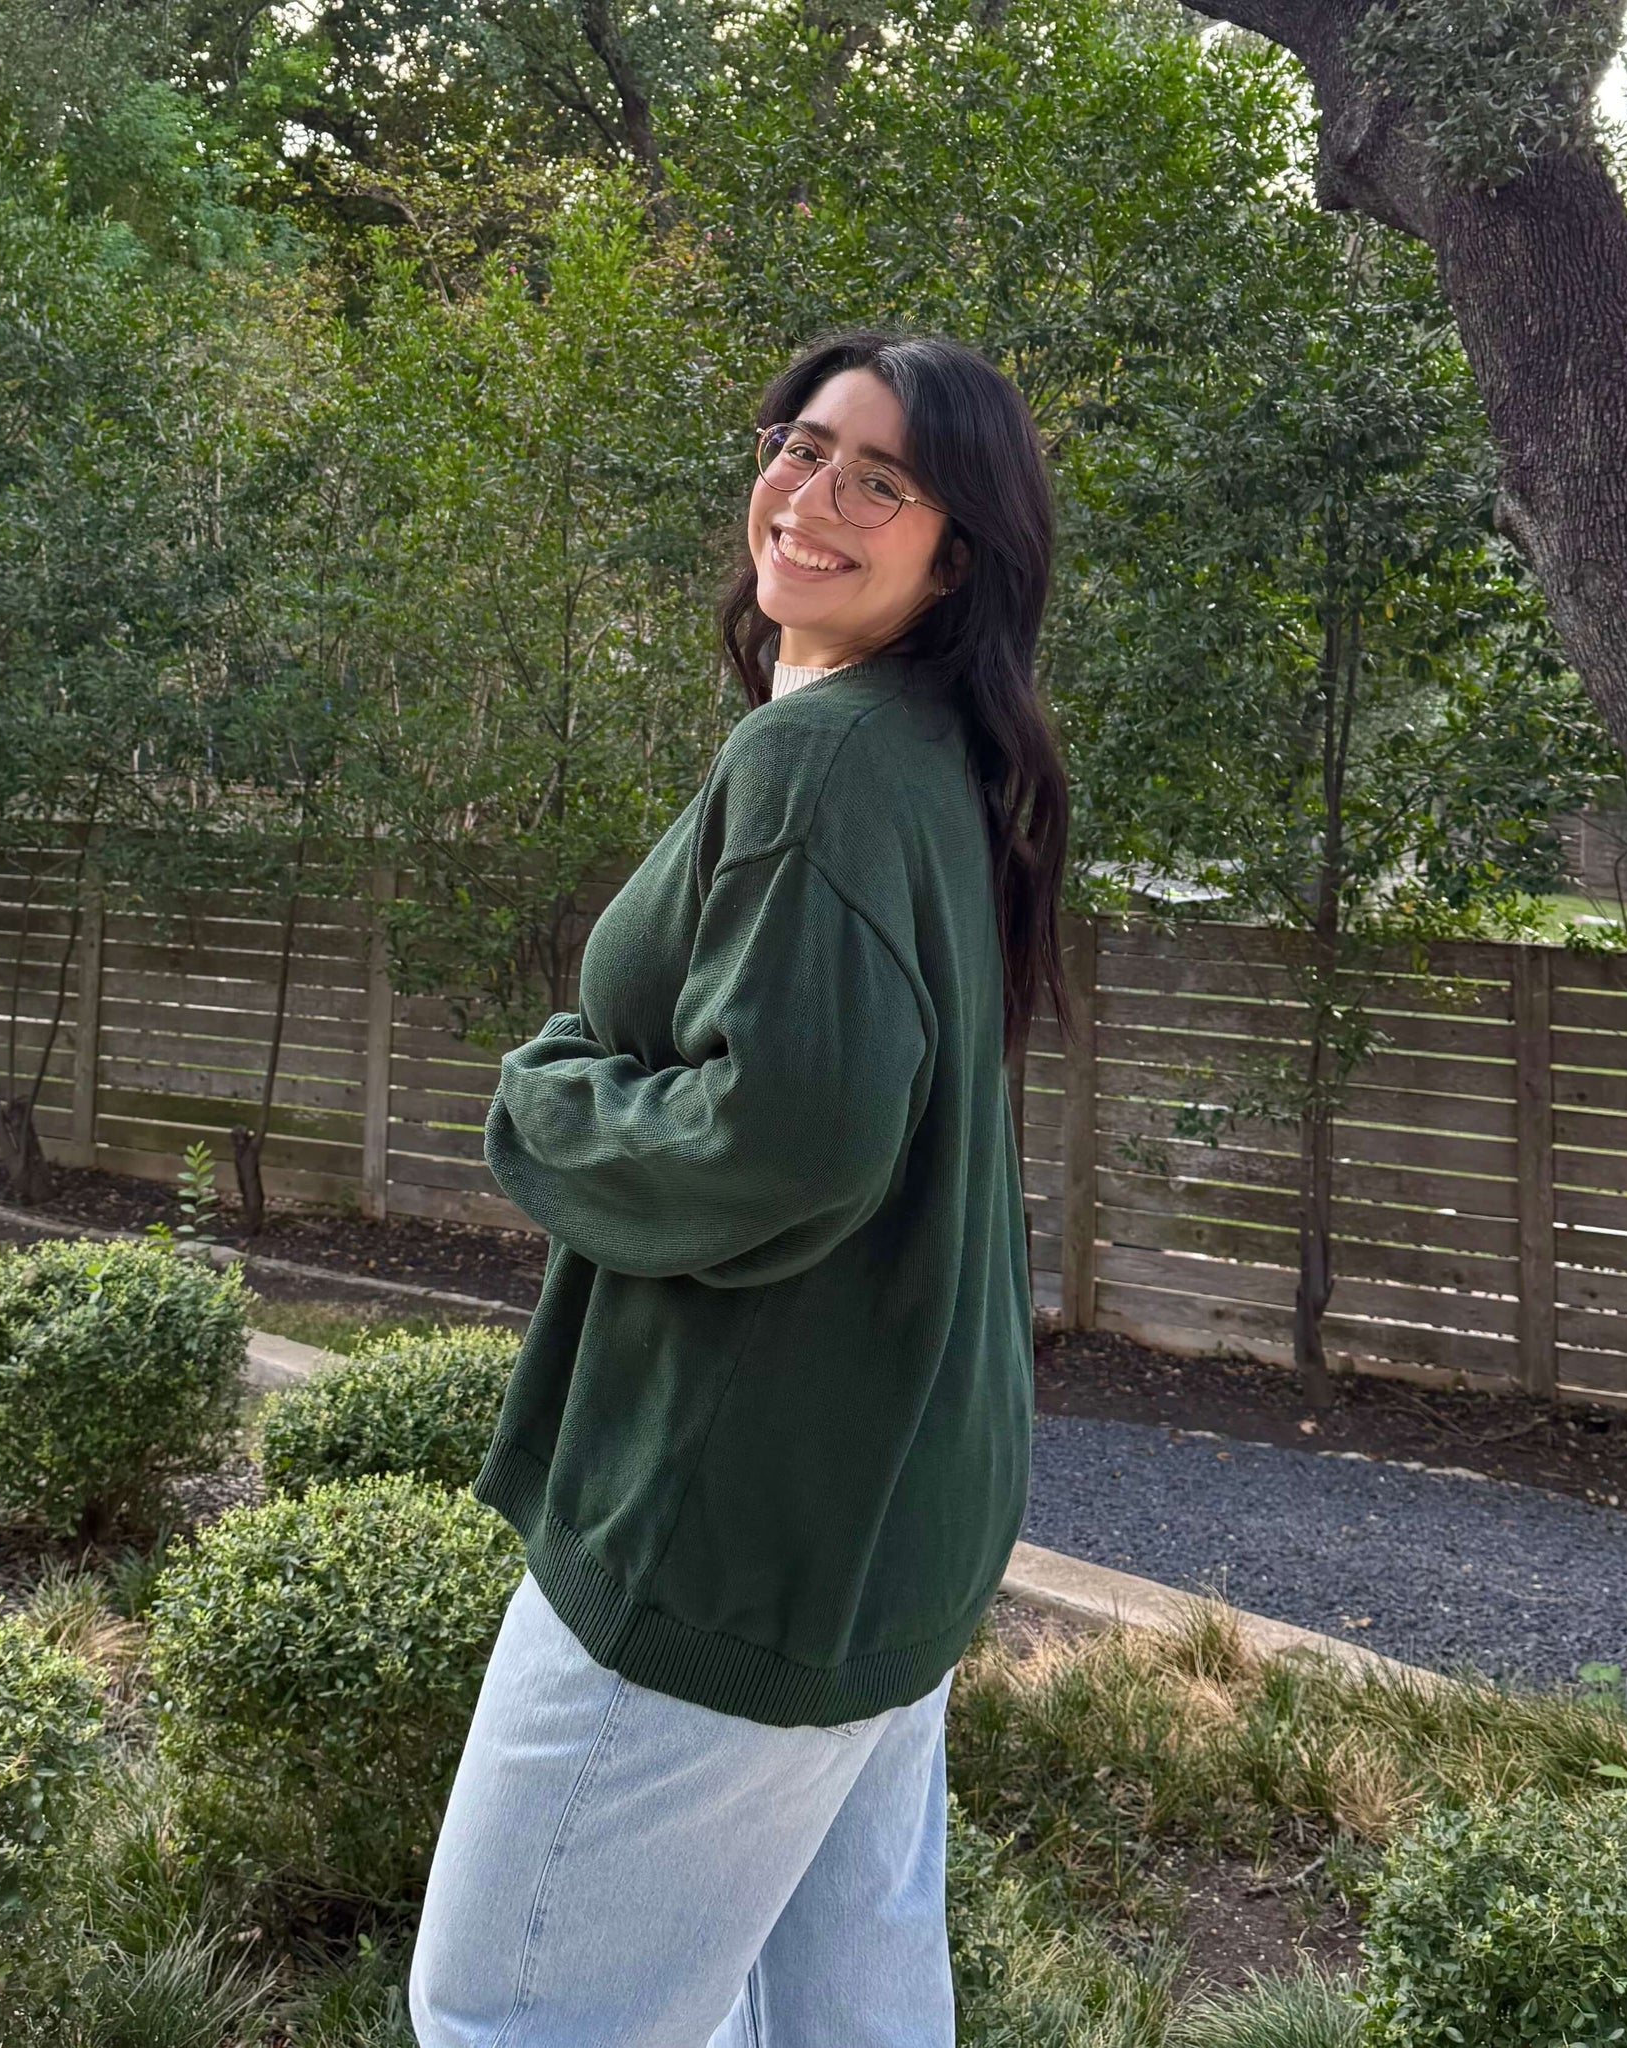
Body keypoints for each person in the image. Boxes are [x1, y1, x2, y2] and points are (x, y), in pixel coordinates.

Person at [408, 329, 1074, 2047]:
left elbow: (786, 1140)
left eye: (881, 480)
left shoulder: (825, 767)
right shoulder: (927, 754)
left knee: (507, 2015)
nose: (814, 496)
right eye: (802, 446)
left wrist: (549, 1101)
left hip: (734, 1516)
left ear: (957, 555)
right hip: (885, 1499)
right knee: (836, 2015)